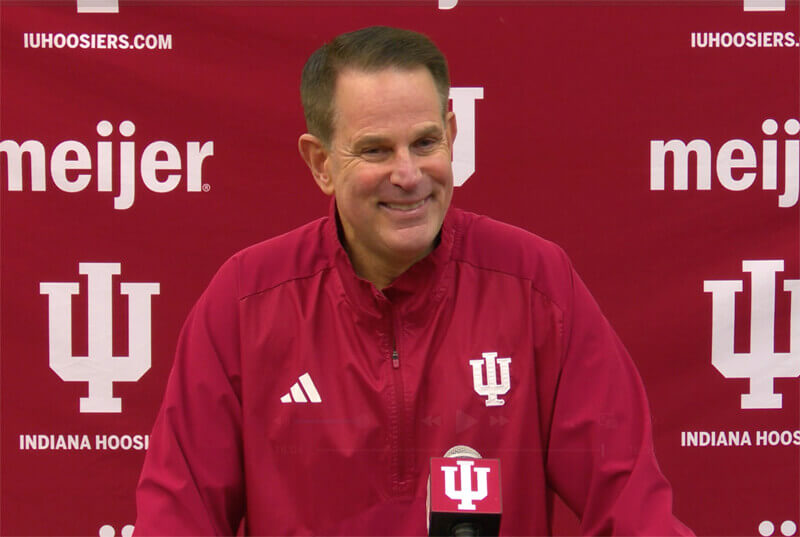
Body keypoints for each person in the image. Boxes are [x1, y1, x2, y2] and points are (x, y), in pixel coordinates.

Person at [134, 26, 693, 536]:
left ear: (452, 133)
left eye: (425, 143)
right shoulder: (245, 300)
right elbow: (175, 517)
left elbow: (632, 505)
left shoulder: (536, 283)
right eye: (375, 150)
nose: (408, 175)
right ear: (320, 163)